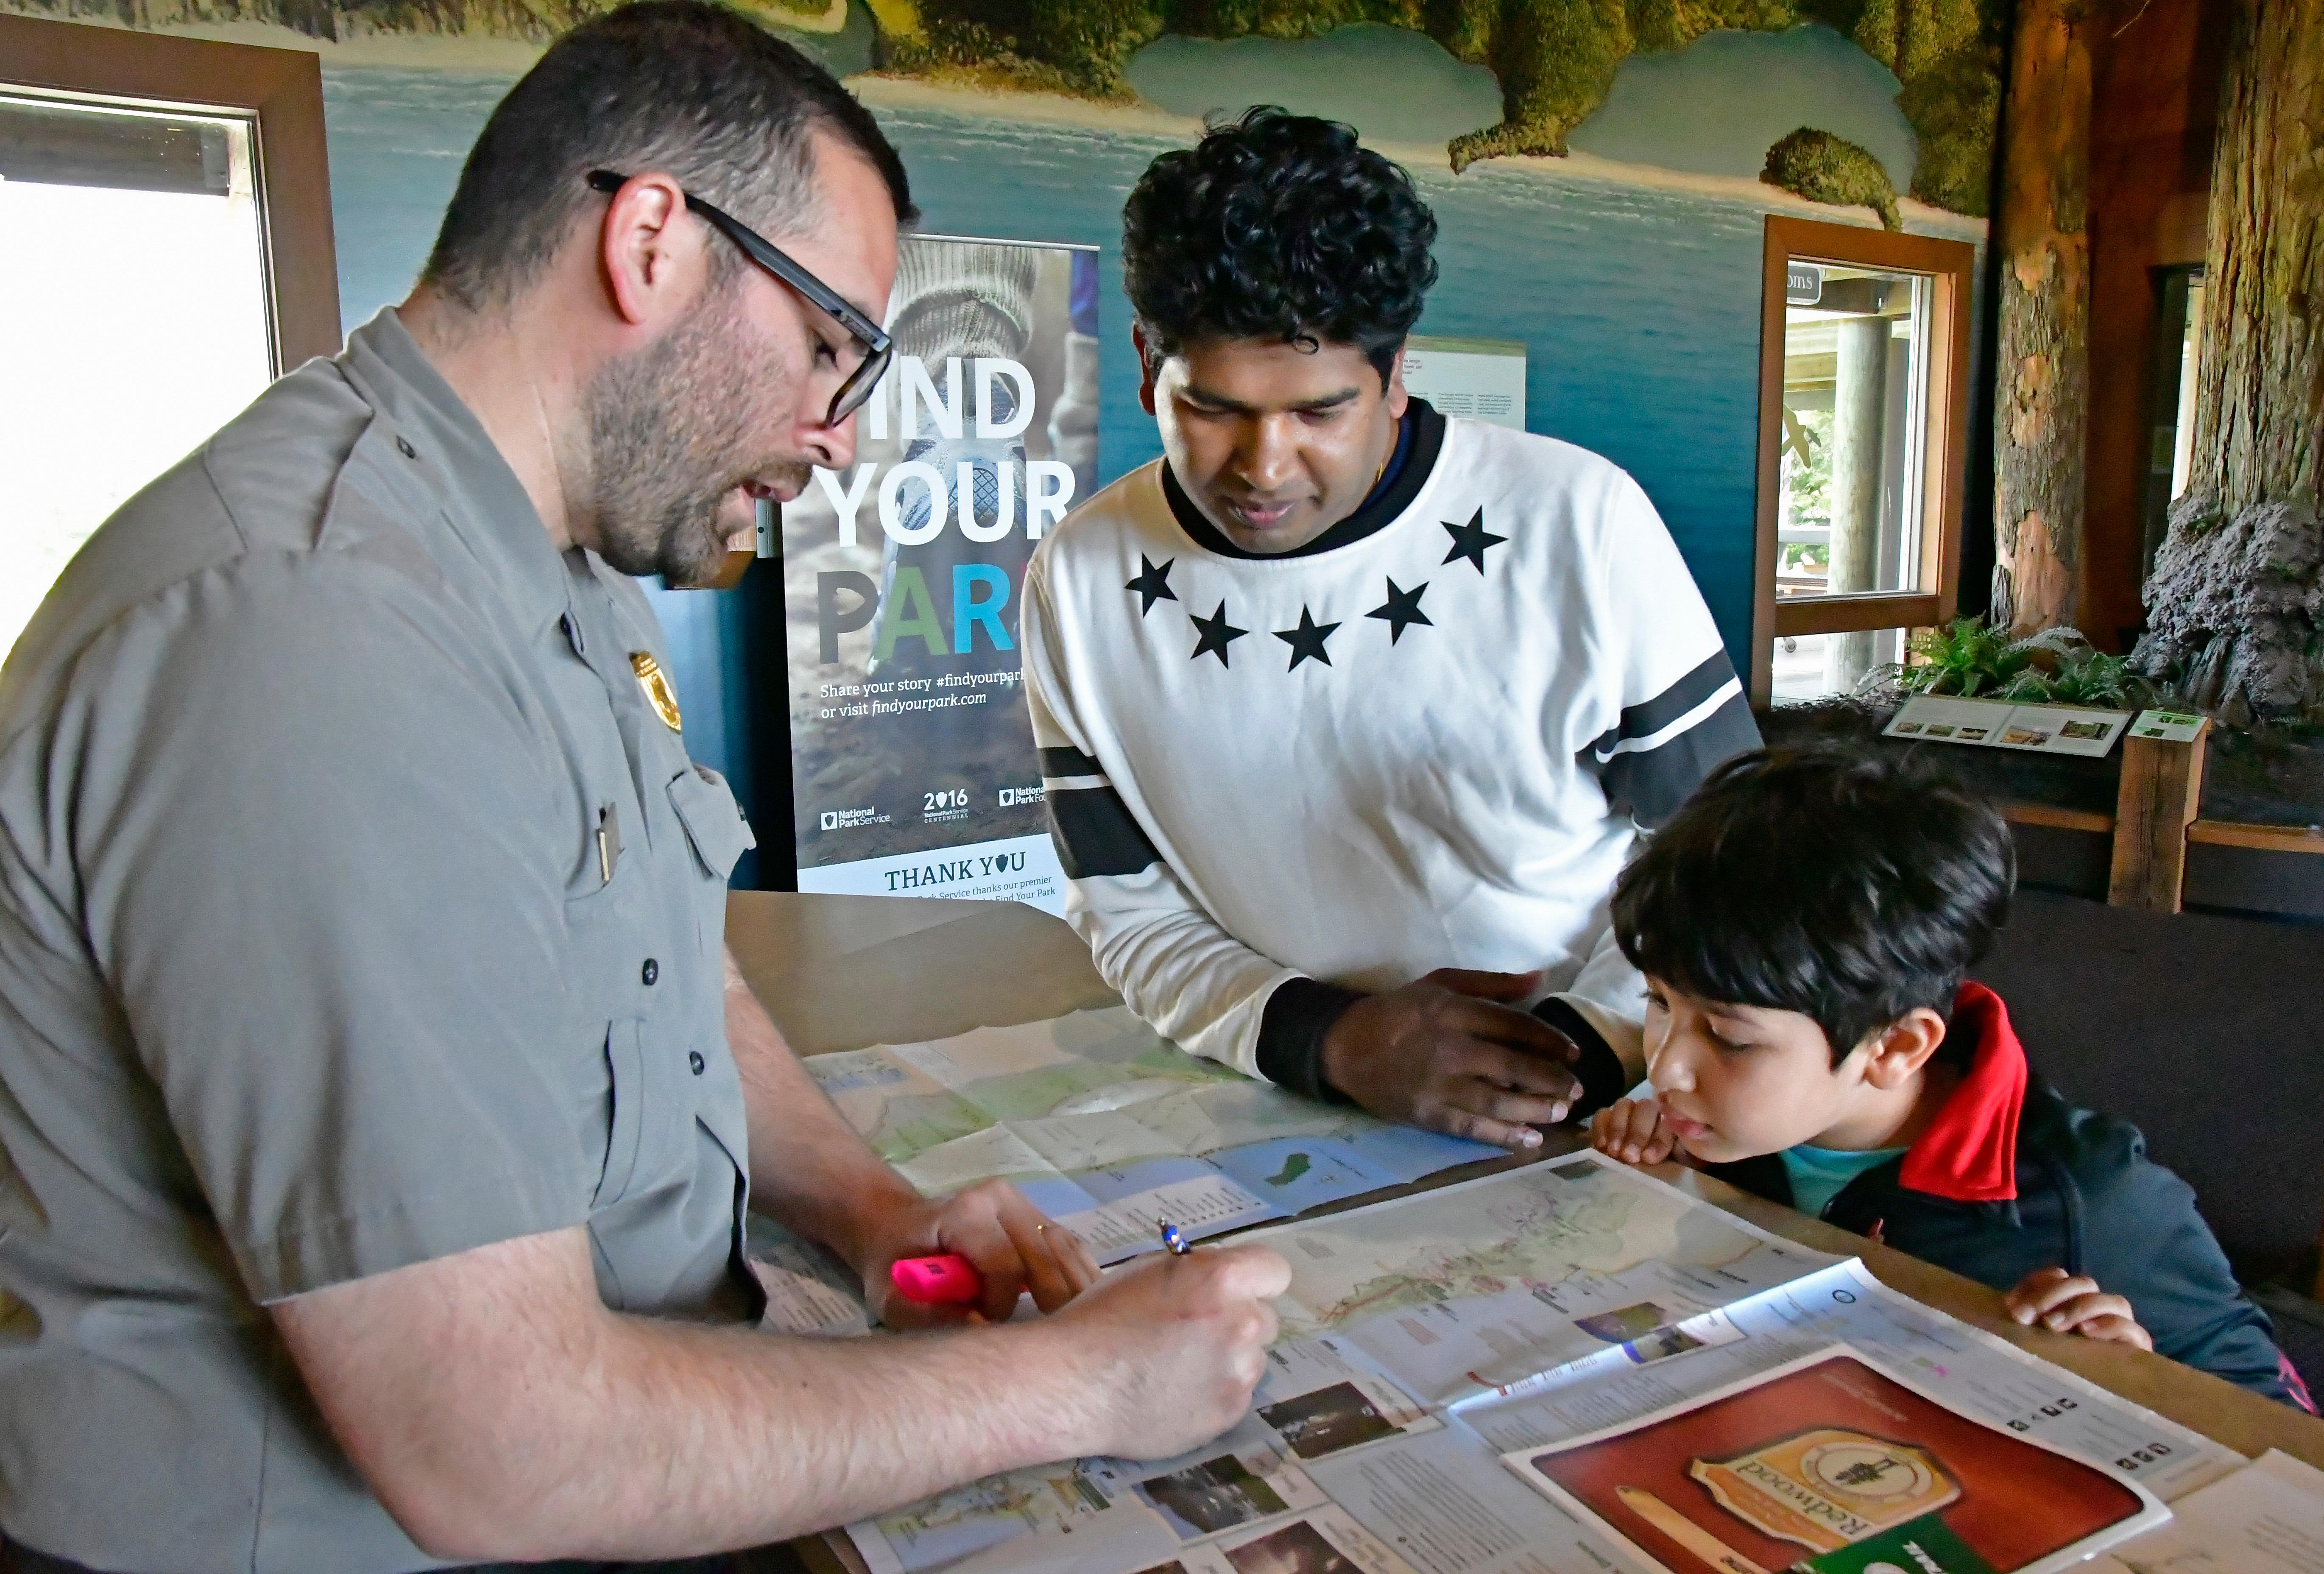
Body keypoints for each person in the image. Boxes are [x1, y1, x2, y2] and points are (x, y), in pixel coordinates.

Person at [0, 8, 1288, 1571]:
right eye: (830, 345)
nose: (841, 434)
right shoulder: (318, 637)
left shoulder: (524, 544)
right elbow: (503, 1450)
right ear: (654, 241)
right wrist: (1078, 1382)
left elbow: (653, 948)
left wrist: (871, 1210)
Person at [1021, 109, 1760, 1150]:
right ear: (1147, 364)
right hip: (1273, 1102)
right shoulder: (1080, 575)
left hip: (1587, 1110)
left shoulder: (1574, 520)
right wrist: (1334, 1043)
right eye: (1213, 409)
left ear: (1397, 370)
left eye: (1319, 412)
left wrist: (1577, 1050)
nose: (1263, 466)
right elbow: (1124, 907)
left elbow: (1736, 861)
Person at [1587, 745, 2313, 1411]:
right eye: (1657, 1002)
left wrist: (2137, 1384)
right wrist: (1673, 1167)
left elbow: (2280, 1425)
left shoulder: (2088, 1202)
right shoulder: (1735, 1123)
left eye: (1725, 1037)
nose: (1666, 1066)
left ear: (1896, 1047)